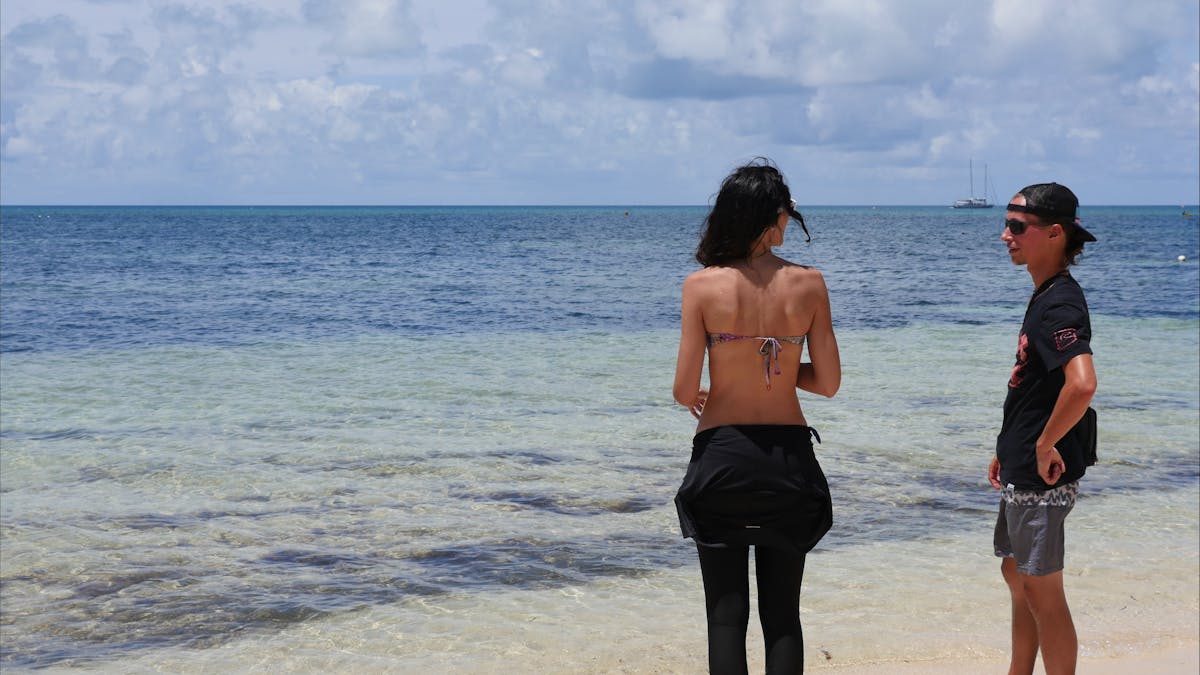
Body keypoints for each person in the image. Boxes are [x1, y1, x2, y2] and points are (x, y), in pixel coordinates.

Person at [672, 159, 841, 674]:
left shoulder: (701, 286)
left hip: (722, 457)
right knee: (783, 617)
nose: (790, 221)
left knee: (725, 618)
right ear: (770, 219)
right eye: (787, 212)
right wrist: (785, 367)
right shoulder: (809, 284)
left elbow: (683, 389)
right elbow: (829, 383)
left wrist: (714, 387)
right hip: (787, 460)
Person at [989, 182, 1098, 675]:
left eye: (1016, 227)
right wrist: (1008, 445)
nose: (1004, 236)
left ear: (1054, 234)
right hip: (1022, 465)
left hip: (1042, 474)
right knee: (1018, 576)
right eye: (1006, 224)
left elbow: (1082, 384)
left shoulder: (1060, 304)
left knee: (1041, 589)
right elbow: (1035, 386)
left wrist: (1044, 443)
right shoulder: (1046, 294)